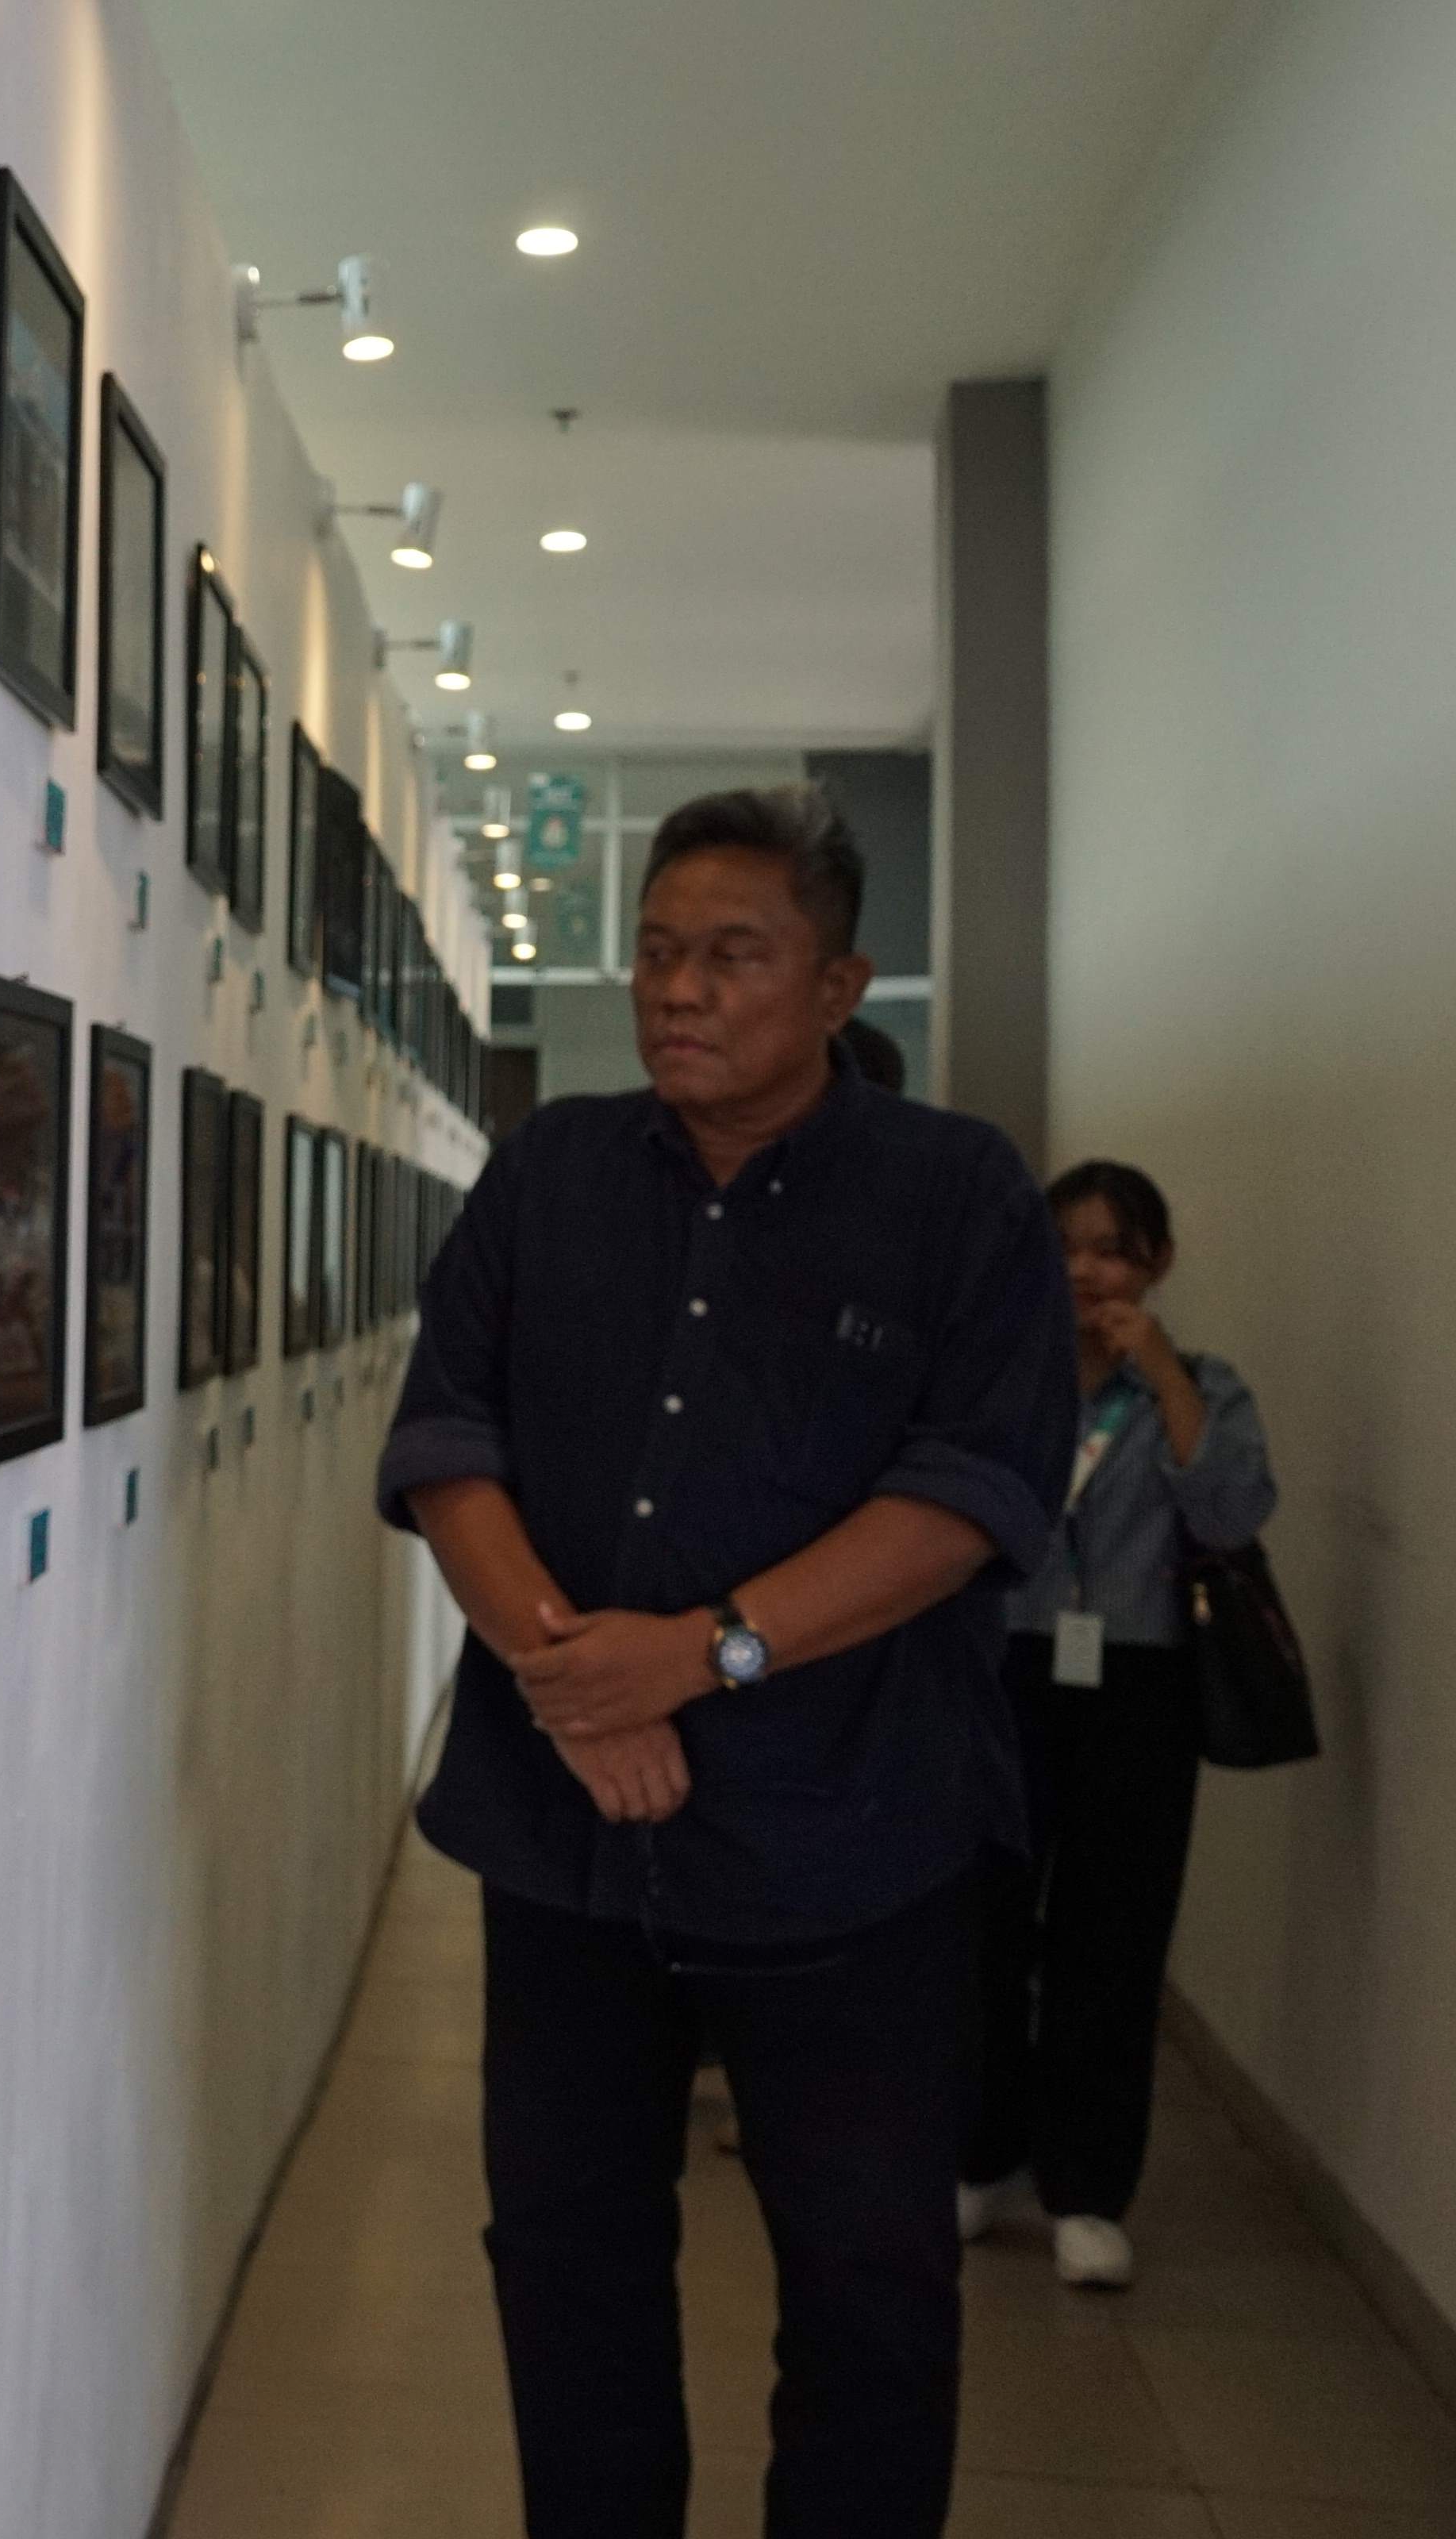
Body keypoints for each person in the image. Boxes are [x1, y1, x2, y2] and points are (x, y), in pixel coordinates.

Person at [378, 786, 1074, 2539]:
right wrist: (570, 1676)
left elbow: (977, 1487)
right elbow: (446, 1436)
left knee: (867, 2289)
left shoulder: (957, 1191)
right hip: (570, 1850)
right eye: (660, 952)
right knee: (566, 2258)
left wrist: (702, 1654)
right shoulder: (548, 1173)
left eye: (733, 956)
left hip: (854, 1842)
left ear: (838, 986)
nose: (679, 990)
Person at [959, 1160, 1276, 2291]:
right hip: (1005, 1668)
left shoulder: (1202, 1385)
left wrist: (1160, 1378)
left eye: (1115, 1249)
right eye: (1069, 1246)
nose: (1089, 1270)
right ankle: (982, 2153)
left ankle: (1090, 2190)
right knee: (987, 1922)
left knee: (1114, 1934)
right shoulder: (1005, 1375)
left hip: (1141, 1682)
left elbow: (1232, 1511)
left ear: (1158, 1264)